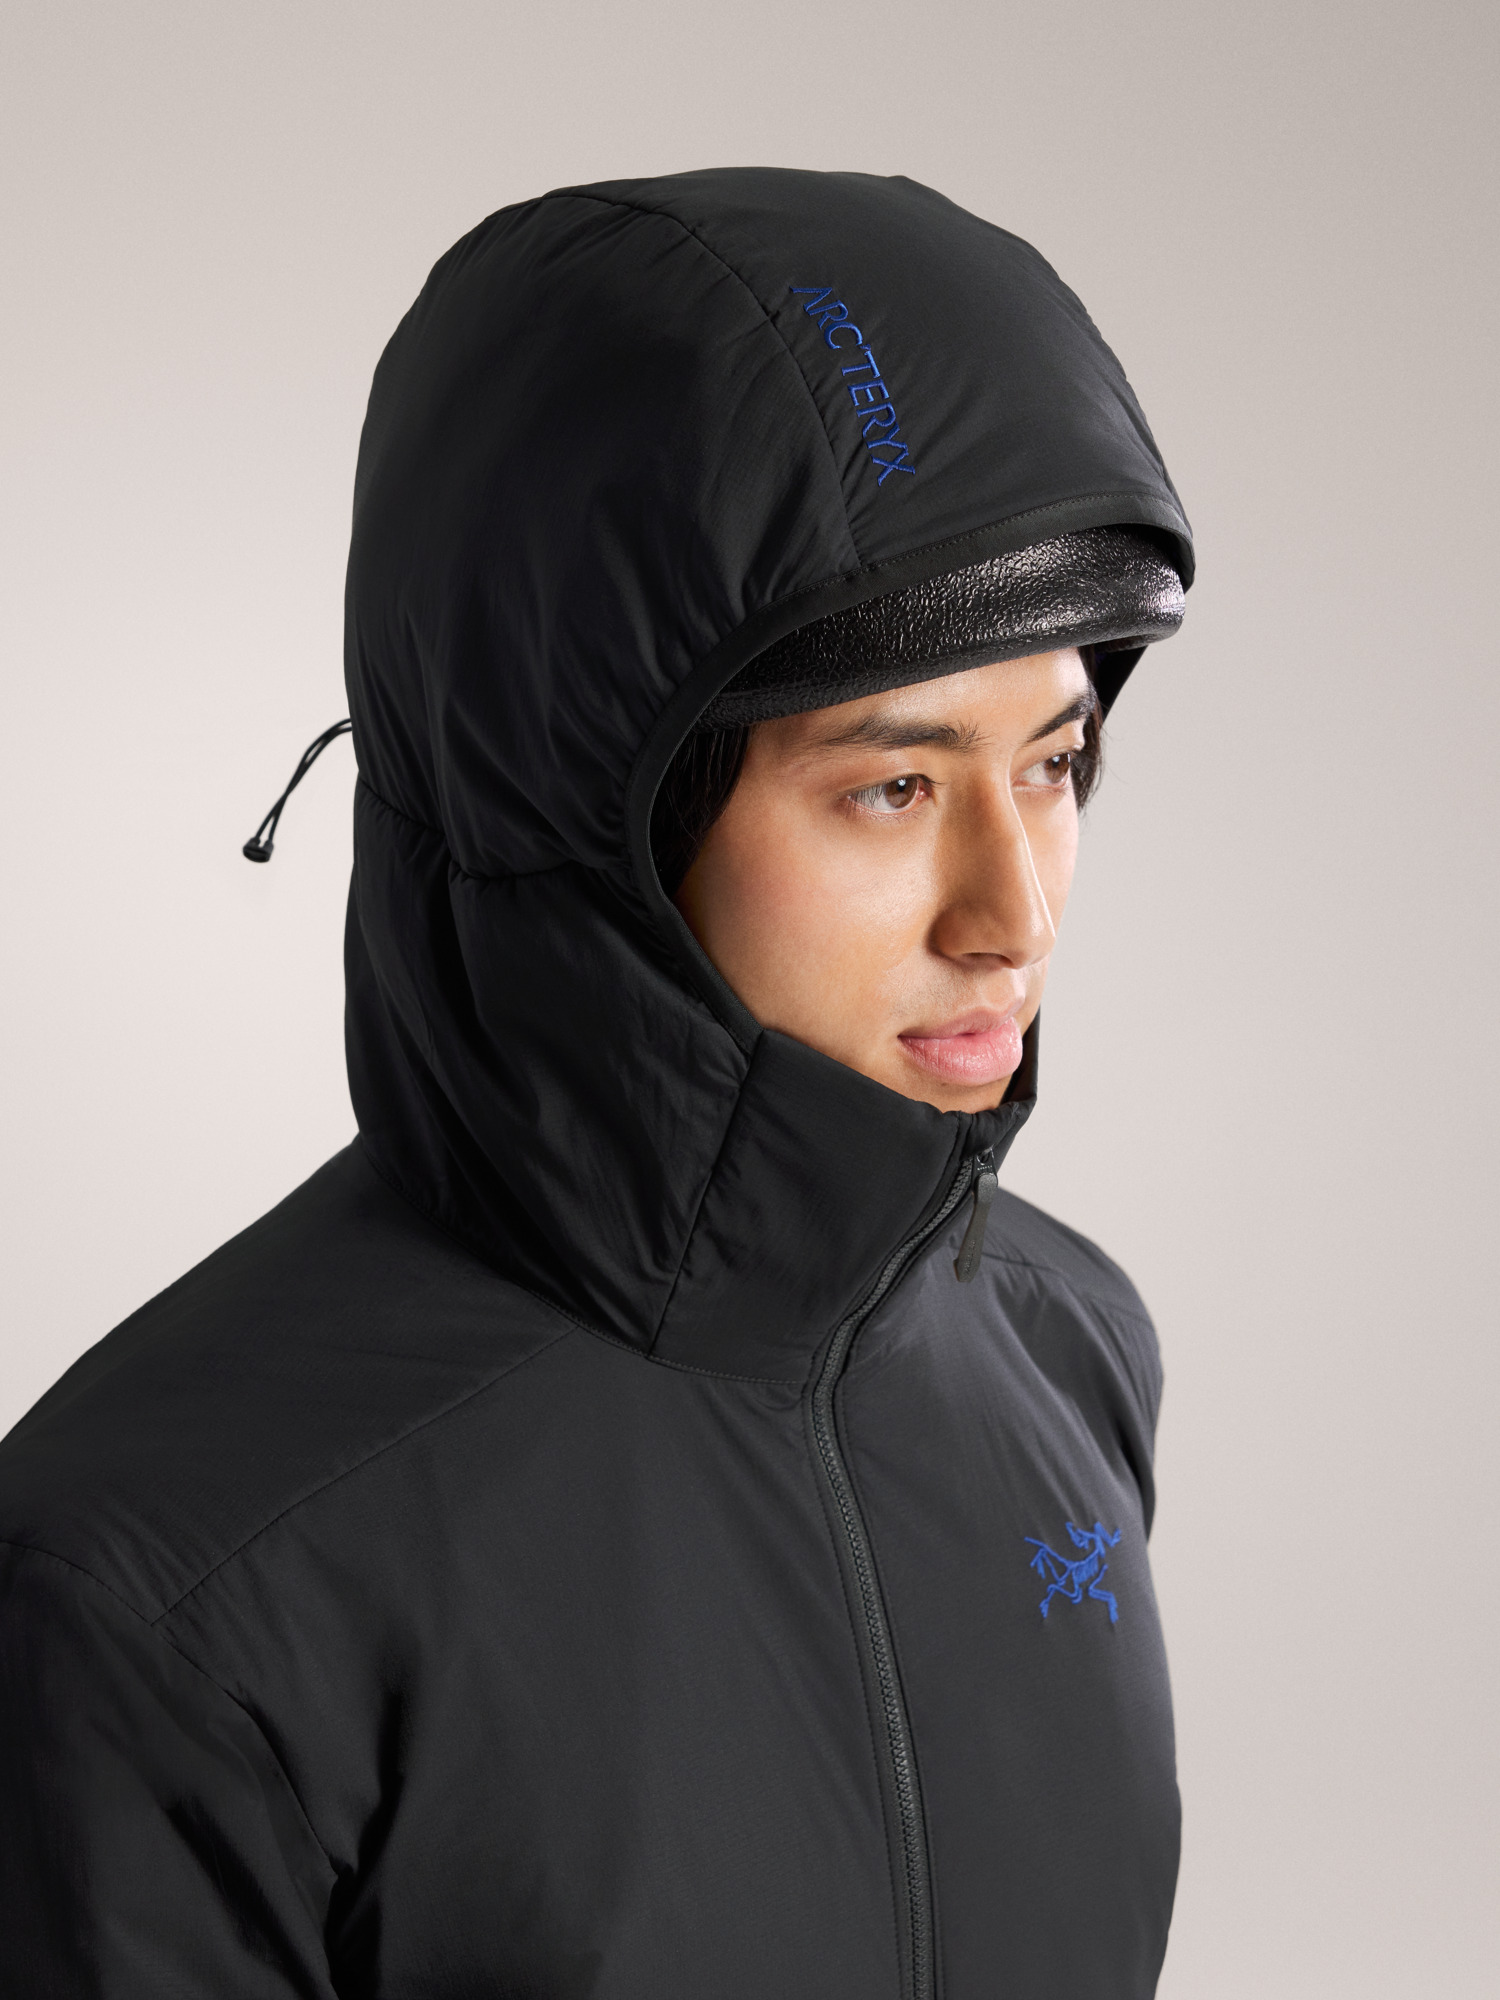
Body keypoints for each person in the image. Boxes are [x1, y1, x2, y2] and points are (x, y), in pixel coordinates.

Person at [0, 168, 1193, 1998]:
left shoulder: (1066, 1346)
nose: (1012, 914)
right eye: (891, 787)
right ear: (581, 808)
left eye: (1055, 763)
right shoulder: (155, 1590)